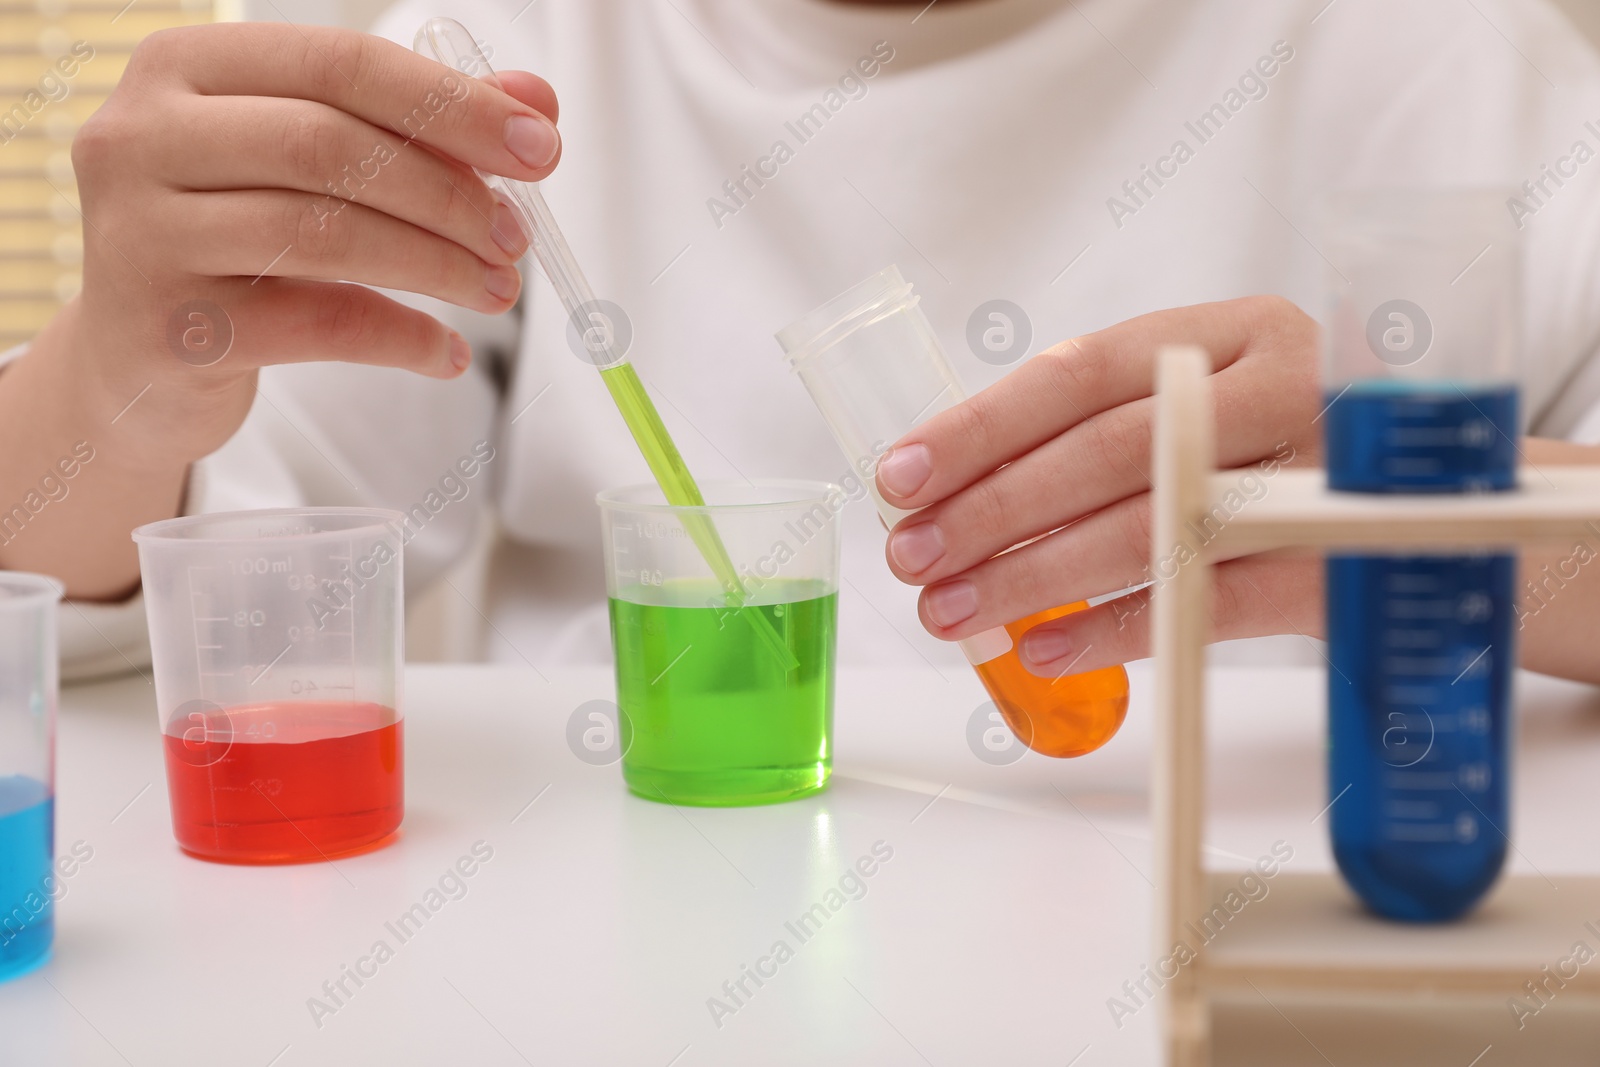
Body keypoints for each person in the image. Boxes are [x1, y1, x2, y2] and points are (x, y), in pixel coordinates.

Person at [1, 0, 1597, 684]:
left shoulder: (1454, 60)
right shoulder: (480, 57)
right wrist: (118, 376)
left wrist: (1400, 496)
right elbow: (138, 618)